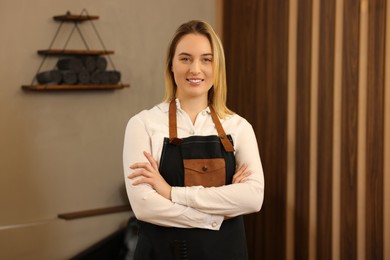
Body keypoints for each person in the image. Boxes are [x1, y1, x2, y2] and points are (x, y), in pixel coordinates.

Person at [123, 20, 264, 260]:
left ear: (217, 66)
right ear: (171, 65)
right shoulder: (142, 125)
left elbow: (252, 199)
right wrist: (217, 214)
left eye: (206, 59)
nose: (195, 69)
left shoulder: (239, 127)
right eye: (185, 58)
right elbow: (145, 206)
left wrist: (171, 193)